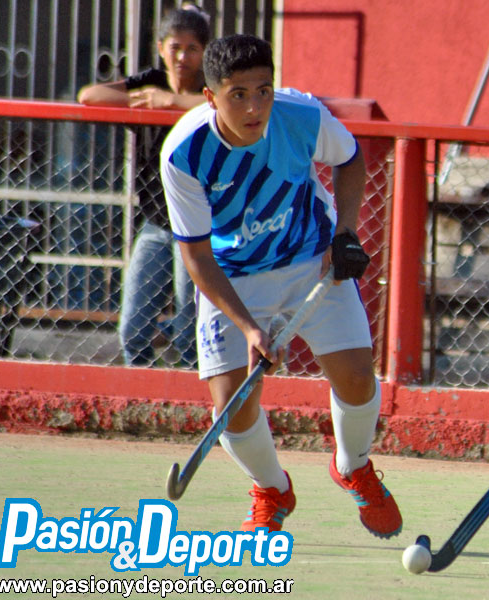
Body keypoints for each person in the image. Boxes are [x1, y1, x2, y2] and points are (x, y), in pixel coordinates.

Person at [159, 33, 402, 538]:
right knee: (232, 406)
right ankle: (271, 487)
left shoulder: (302, 116)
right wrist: (251, 329)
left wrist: (345, 233)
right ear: (210, 97)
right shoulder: (184, 154)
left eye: (263, 91)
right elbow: (197, 258)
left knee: (358, 376)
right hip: (233, 277)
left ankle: (353, 466)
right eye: (238, 95)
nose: (255, 107)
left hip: (311, 260)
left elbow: (350, 158)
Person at [77, 6, 211, 368]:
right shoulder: (151, 80)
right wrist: (146, 100)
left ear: (204, 52)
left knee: (190, 331)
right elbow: (89, 95)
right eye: (175, 47)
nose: (182, 57)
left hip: (198, 224)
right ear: (160, 48)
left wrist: (173, 103)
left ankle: (193, 393)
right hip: (156, 220)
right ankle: (143, 390)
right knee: (132, 328)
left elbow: (229, 104)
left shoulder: (210, 85)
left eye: (192, 48)